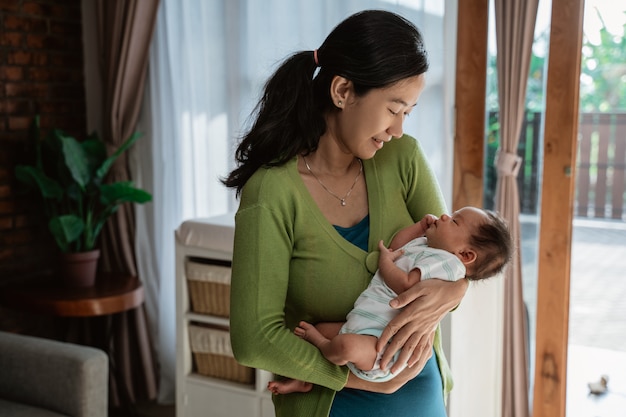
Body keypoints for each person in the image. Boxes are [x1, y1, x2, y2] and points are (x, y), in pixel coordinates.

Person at [223, 9, 470, 417]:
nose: (398, 130)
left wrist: (456, 290)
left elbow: (454, 256)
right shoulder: (272, 192)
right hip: (333, 401)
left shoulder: (402, 159)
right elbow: (254, 339)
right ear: (342, 91)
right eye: (393, 109)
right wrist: (358, 377)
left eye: (407, 112)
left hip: (420, 390)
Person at [266, 207, 513, 394]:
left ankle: (321, 345)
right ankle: (305, 380)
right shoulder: (429, 247)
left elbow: (405, 284)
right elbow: (398, 249)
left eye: (455, 221)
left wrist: (384, 261)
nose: (445, 216)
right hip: (363, 323)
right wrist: (418, 228)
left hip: (381, 344)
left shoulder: (448, 264)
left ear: (466, 255)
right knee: (326, 332)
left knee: (345, 346)